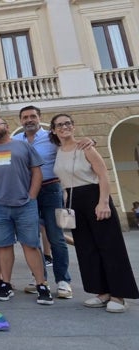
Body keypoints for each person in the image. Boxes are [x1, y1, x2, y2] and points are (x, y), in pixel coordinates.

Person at [50, 113, 139, 313]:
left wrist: (103, 202)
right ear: (54, 130)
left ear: (73, 126)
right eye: (59, 125)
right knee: (86, 248)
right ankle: (101, 292)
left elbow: (103, 174)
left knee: (109, 246)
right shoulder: (58, 151)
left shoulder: (85, 147)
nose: (64, 127)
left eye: (67, 123)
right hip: (74, 200)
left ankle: (118, 294)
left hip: (94, 196)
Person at [0, 117, 53, 305]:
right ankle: (6, 284)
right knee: (3, 245)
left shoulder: (23, 146)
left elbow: (36, 172)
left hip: (25, 205)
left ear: (6, 127)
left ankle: (42, 284)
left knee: (31, 245)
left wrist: (32, 196)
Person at [13, 105, 79, 299]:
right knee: (31, 238)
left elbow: (71, 146)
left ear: (39, 118)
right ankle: (39, 278)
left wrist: (86, 141)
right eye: (25, 117)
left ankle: (63, 281)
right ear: (21, 120)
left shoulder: (51, 138)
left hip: (51, 189)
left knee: (56, 236)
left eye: (33, 116)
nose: (29, 120)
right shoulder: (16, 141)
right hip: (27, 193)